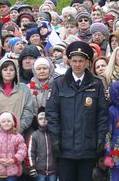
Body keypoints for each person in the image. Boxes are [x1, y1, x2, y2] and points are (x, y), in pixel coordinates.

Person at [46, 41, 108, 181]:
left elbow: (102, 115)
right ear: (69, 61)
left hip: (88, 146)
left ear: (87, 62)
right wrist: (55, 138)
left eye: (81, 61)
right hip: (65, 147)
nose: (77, 64)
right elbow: (52, 114)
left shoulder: (96, 84)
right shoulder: (58, 84)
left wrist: (100, 139)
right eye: (74, 61)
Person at [0, 58, 34, 134]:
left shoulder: (24, 89)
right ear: (0, 72)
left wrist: (20, 127)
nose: (8, 72)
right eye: (5, 69)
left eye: (11, 70)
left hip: (17, 133)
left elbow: (28, 110)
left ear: (16, 72)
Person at [0, 111, 26, 181]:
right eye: (3, 121)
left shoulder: (17, 137)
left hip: (13, 169)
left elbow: (22, 150)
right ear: (0, 124)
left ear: (13, 123)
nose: (6, 123)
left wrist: (14, 159)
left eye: (9, 121)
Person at [26, 108, 57, 181]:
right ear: (37, 120)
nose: (43, 120)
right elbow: (30, 153)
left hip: (53, 170)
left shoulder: (54, 134)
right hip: (39, 171)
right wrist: (32, 167)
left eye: (45, 118)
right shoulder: (34, 135)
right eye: (40, 119)